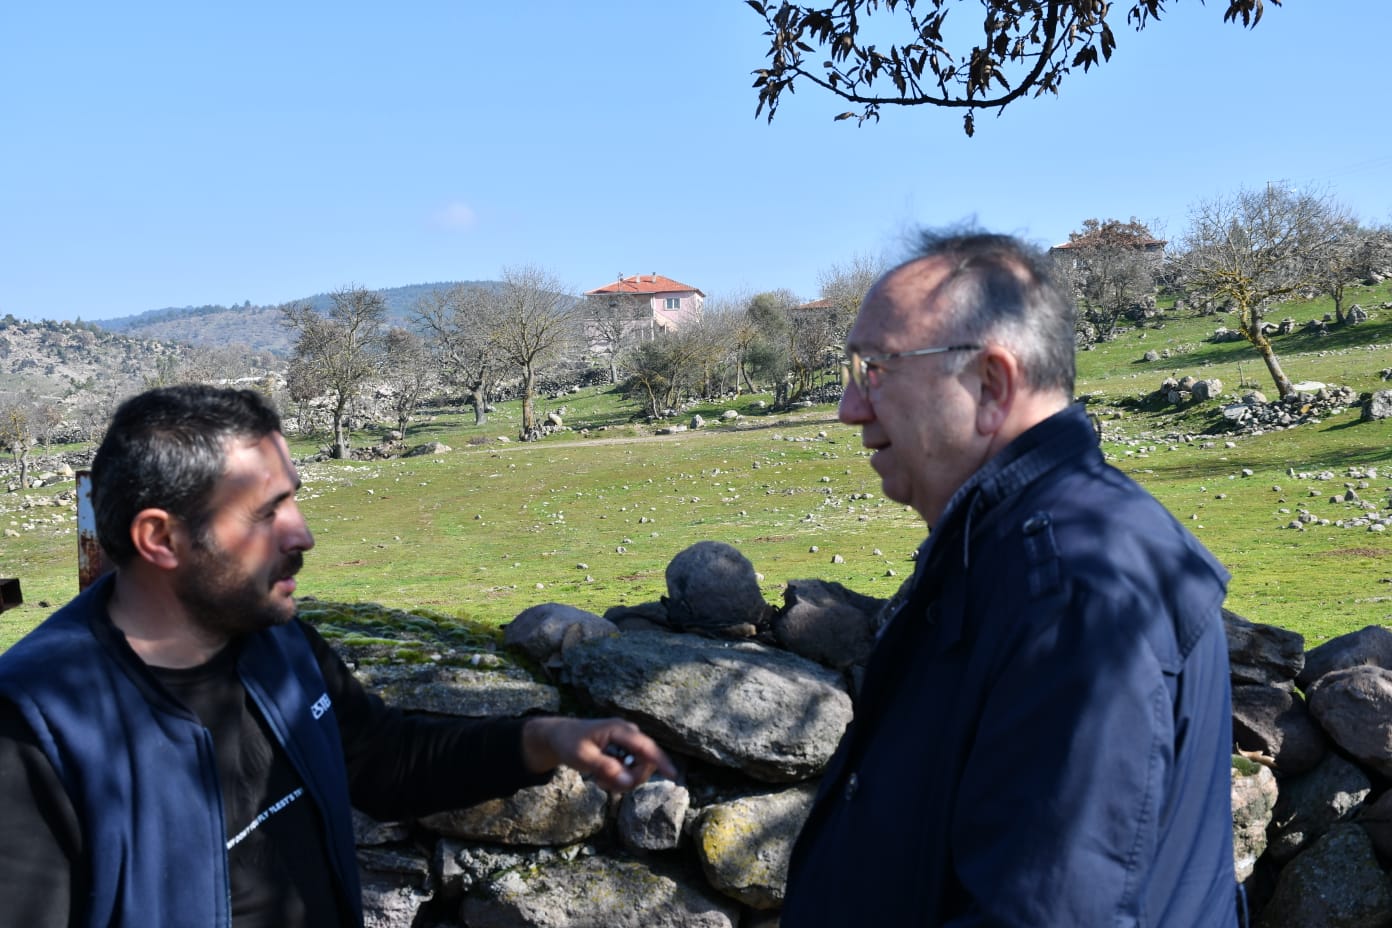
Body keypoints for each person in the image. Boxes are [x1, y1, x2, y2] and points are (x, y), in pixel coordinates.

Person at [0, 384, 675, 928]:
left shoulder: (273, 641)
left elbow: (382, 759)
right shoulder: (34, 732)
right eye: (266, 513)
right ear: (160, 538)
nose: (303, 534)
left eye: (293, 499)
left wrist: (546, 739)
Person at [780, 230, 1237, 926]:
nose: (850, 408)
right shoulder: (1004, 549)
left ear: (990, 386)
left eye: (874, 368)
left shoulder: (1075, 591)